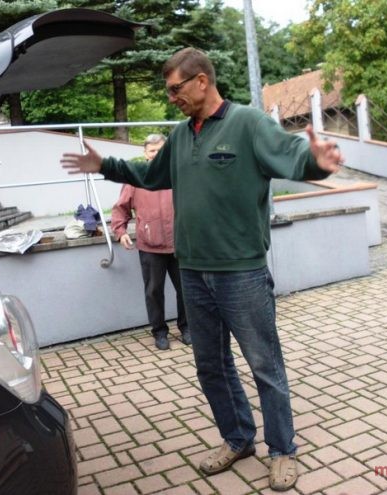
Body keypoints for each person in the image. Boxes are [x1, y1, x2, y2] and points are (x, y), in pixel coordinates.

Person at [61, 47, 343, 492]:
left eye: (176, 89)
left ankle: (282, 450)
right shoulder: (180, 136)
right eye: (168, 91)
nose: (172, 97)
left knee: (264, 365)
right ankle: (238, 439)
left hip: (241, 272)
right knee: (211, 366)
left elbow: (291, 153)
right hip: (192, 270)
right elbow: (151, 174)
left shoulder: (248, 124)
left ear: (201, 81)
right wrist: (105, 166)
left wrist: (315, 162)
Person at [111, 133, 189, 350]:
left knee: (186, 290)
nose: (156, 154)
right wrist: (120, 231)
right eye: (152, 150)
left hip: (181, 244)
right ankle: (160, 332)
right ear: (145, 153)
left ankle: (187, 328)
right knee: (153, 292)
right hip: (150, 245)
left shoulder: (180, 173)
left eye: (160, 150)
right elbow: (120, 208)